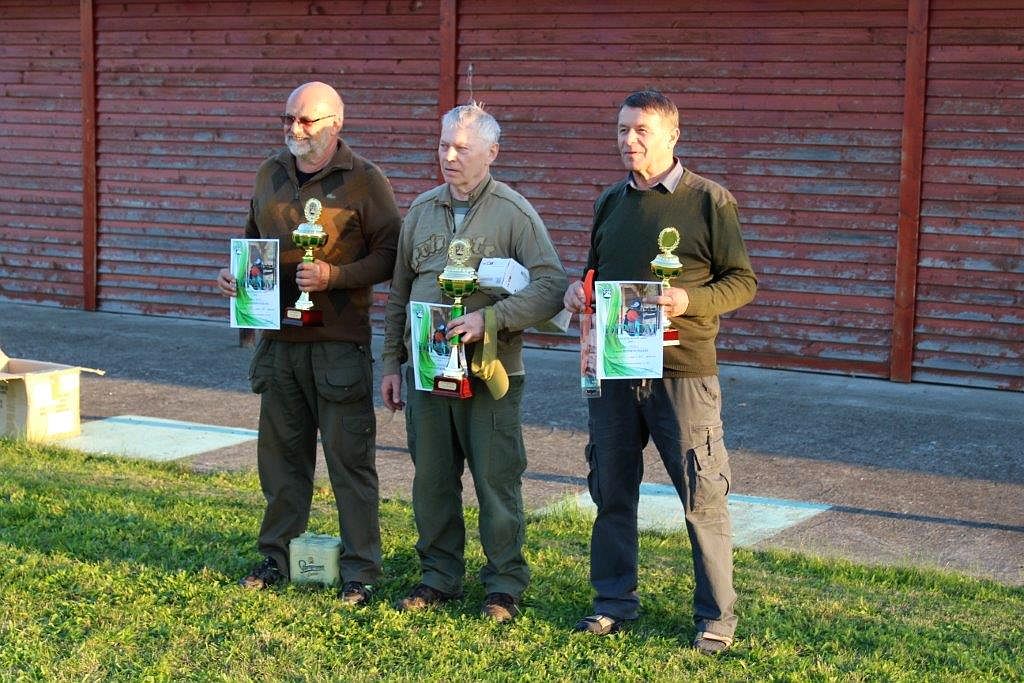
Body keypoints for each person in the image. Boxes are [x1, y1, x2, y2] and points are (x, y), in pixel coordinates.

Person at [562, 89, 757, 654]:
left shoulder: (709, 201)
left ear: (672, 135)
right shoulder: (609, 202)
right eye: (622, 129)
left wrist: (688, 300)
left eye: (642, 130)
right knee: (611, 490)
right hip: (615, 369)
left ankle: (716, 619)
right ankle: (613, 602)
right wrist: (578, 292)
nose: (629, 140)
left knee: (701, 496)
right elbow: (595, 272)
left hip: (683, 373)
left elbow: (742, 281)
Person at [380, 103, 567, 623]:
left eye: (462, 147)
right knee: (432, 480)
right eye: (443, 145)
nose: (449, 156)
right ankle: (438, 575)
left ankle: (504, 584)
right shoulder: (421, 210)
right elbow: (399, 294)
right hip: (427, 372)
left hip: (490, 372)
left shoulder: (514, 213)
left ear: (492, 152)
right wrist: (391, 362)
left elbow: (551, 285)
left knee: (495, 479)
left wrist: (492, 319)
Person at [216, 81, 401, 605]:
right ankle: (275, 557)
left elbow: (391, 255)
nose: (294, 129)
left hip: (337, 344)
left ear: (335, 125)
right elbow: (252, 241)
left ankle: (361, 570)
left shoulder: (365, 180)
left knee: (350, 464)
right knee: (280, 464)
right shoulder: (269, 173)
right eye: (287, 118)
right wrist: (235, 278)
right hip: (278, 343)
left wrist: (334, 276)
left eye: (306, 120)